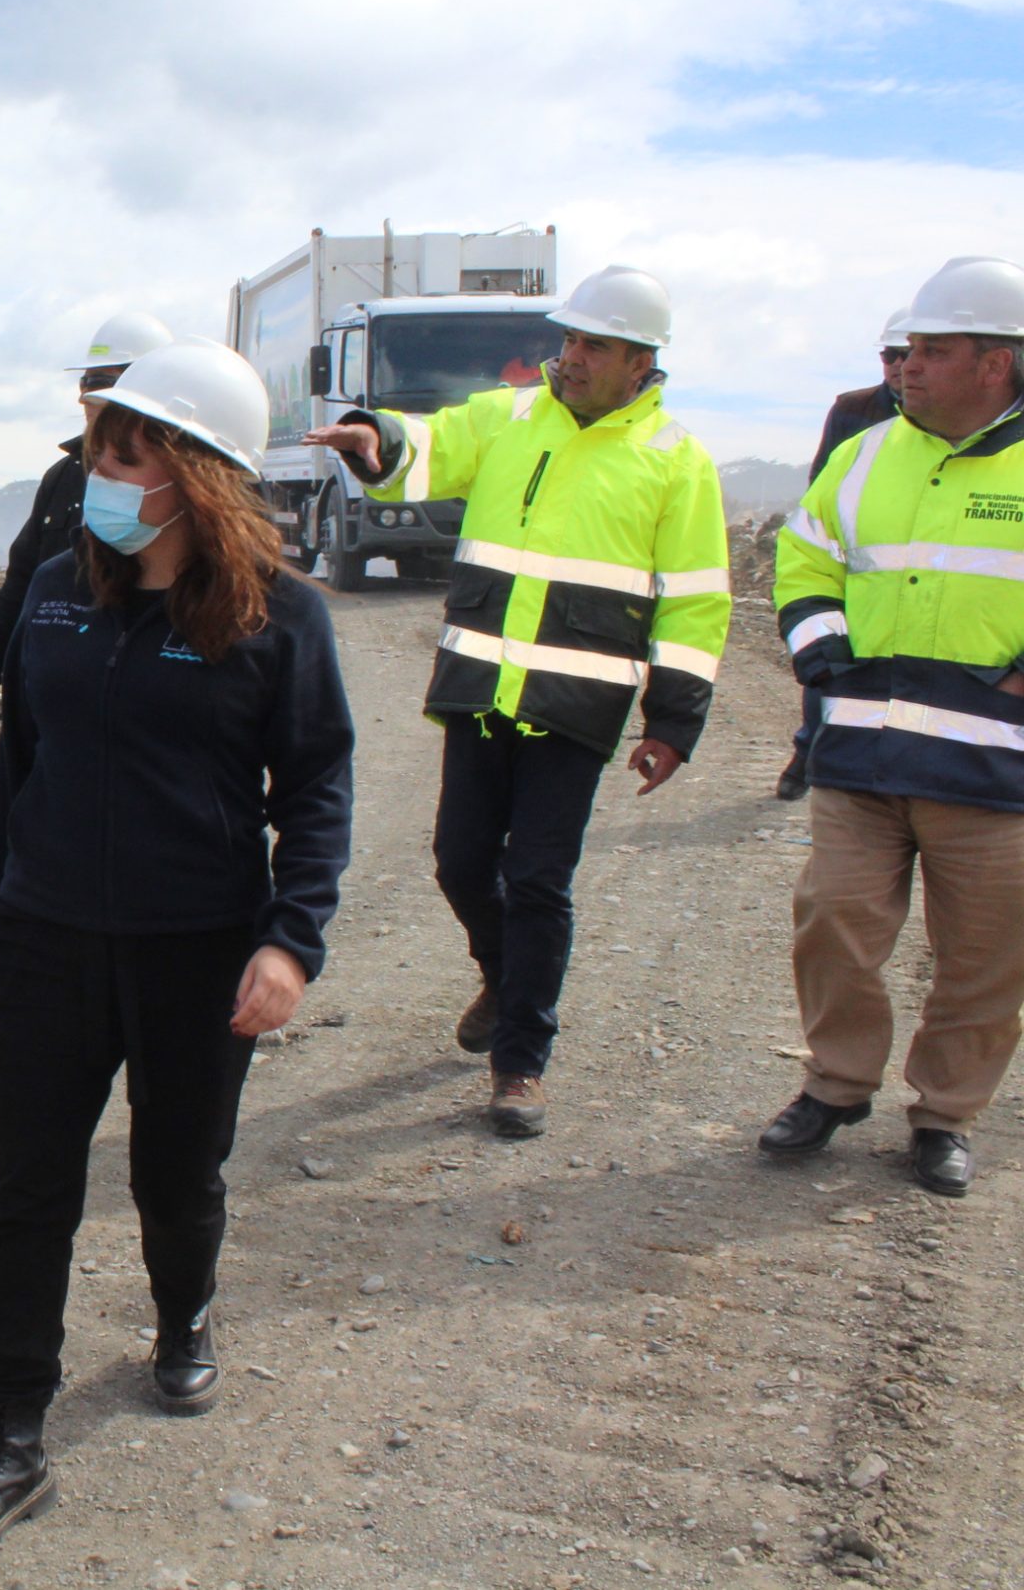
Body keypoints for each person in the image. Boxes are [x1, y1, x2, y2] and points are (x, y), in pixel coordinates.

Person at [0, 341, 353, 1565]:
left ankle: (183, 1317)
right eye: (99, 451)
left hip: (197, 951)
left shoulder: (279, 616)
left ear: (196, 472)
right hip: (51, 942)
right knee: (26, 1196)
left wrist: (289, 943)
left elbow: (316, 790)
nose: (99, 474)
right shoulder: (60, 591)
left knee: (177, 1175)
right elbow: (22, 763)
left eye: (123, 453)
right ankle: (10, 1437)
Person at [303, 265, 730, 1138]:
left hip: (579, 704)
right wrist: (373, 436)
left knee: (538, 878)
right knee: (460, 861)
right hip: (479, 687)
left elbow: (695, 599)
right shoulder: (511, 416)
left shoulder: (675, 460)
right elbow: (430, 443)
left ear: (639, 360)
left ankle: (520, 1062)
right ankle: (505, 977)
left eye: (592, 346)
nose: (570, 358)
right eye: (569, 340)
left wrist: (674, 719)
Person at [761, 255, 1024, 1198]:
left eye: (932, 351)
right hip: (863, 755)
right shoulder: (867, 451)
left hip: (996, 772)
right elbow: (806, 554)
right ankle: (836, 1084)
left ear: (995, 365)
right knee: (831, 917)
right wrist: (821, 647)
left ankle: (946, 1114)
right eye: (907, 350)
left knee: (986, 958)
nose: (907, 367)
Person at [0, 310, 174, 725]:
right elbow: (22, 577)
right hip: (52, 687)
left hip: (142, 693)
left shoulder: (189, 489)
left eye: (101, 381)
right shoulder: (64, 477)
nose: (85, 397)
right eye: (84, 381)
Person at [779, 308, 910, 801]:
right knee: (830, 662)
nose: (897, 365)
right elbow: (823, 490)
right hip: (856, 567)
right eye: (889, 355)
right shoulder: (852, 409)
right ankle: (809, 755)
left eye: (907, 354)